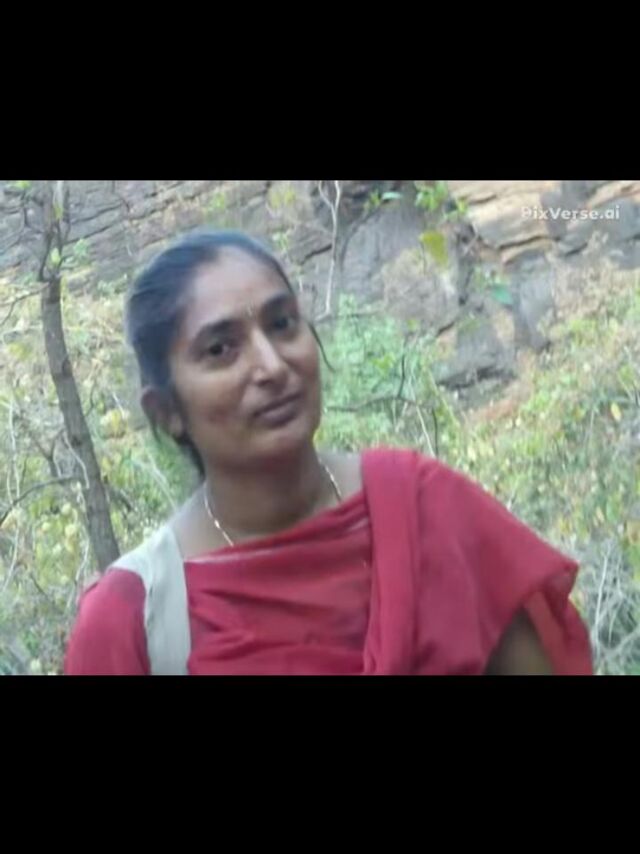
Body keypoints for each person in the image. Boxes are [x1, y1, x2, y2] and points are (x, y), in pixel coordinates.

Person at [64, 230, 593, 675]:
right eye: (221, 349)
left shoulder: (423, 508)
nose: (272, 366)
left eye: (282, 324)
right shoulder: (132, 619)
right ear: (166, 411)